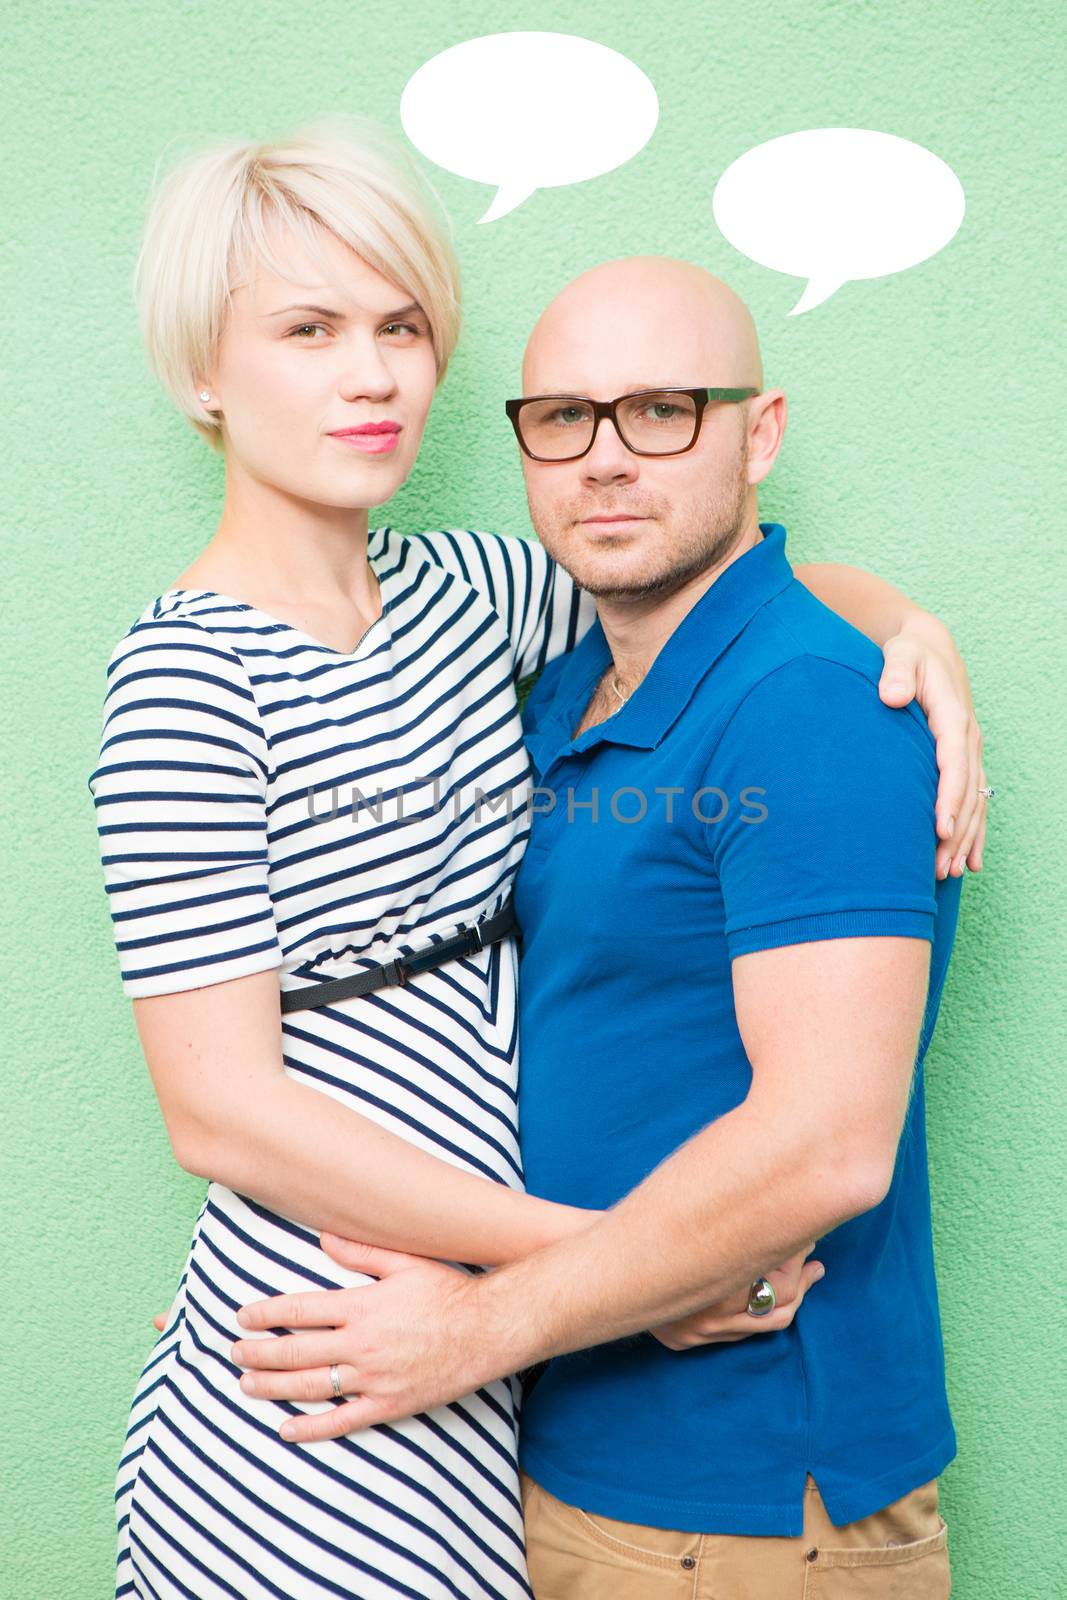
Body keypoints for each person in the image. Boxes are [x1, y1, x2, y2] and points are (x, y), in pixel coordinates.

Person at [90, 115, 979, 1600]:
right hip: (343, 1323)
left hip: (512, 1362)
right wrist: (627, 1262)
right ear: (202, 372)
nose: (369, 374)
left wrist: (907, 626)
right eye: (308, 330)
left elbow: (712, 583)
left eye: (401, 326)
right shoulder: (185, 682)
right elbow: (222, 1113)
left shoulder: (472, 594)